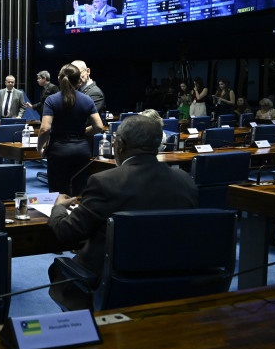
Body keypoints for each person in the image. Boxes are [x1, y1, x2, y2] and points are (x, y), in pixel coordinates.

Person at [46, 115, 198, 310]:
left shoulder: (105, 181)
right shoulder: (185, 181)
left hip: (111, 283)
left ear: (121, 144)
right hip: (171, 282)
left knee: (58, 269)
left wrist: (58, 207)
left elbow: (67, 233)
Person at [37, 64, 103, 195]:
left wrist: (39, 148)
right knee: (79, 192)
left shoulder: (51, 100)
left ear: (59, 78)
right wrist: (83, 133)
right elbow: (99, 127)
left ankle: (58, 215)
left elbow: (45, 129)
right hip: (82, 150)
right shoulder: (87, 100)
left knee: (57, 194)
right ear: (78, 80)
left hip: (58, 150)